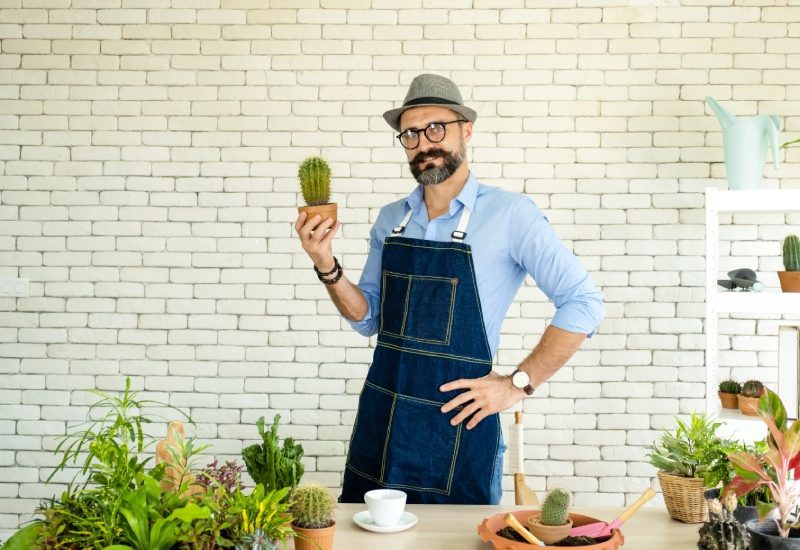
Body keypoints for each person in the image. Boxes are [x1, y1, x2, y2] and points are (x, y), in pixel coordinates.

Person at [294, 74, 604, 505]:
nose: (425, 142)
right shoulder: (390, 220)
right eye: (411, 134)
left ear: (466, 130)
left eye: (436, 127)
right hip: (383, 418)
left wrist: (517, 384)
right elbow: (368, 319)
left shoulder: (511, 214)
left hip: (459, 427)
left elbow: (584, 302)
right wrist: (325, 262)